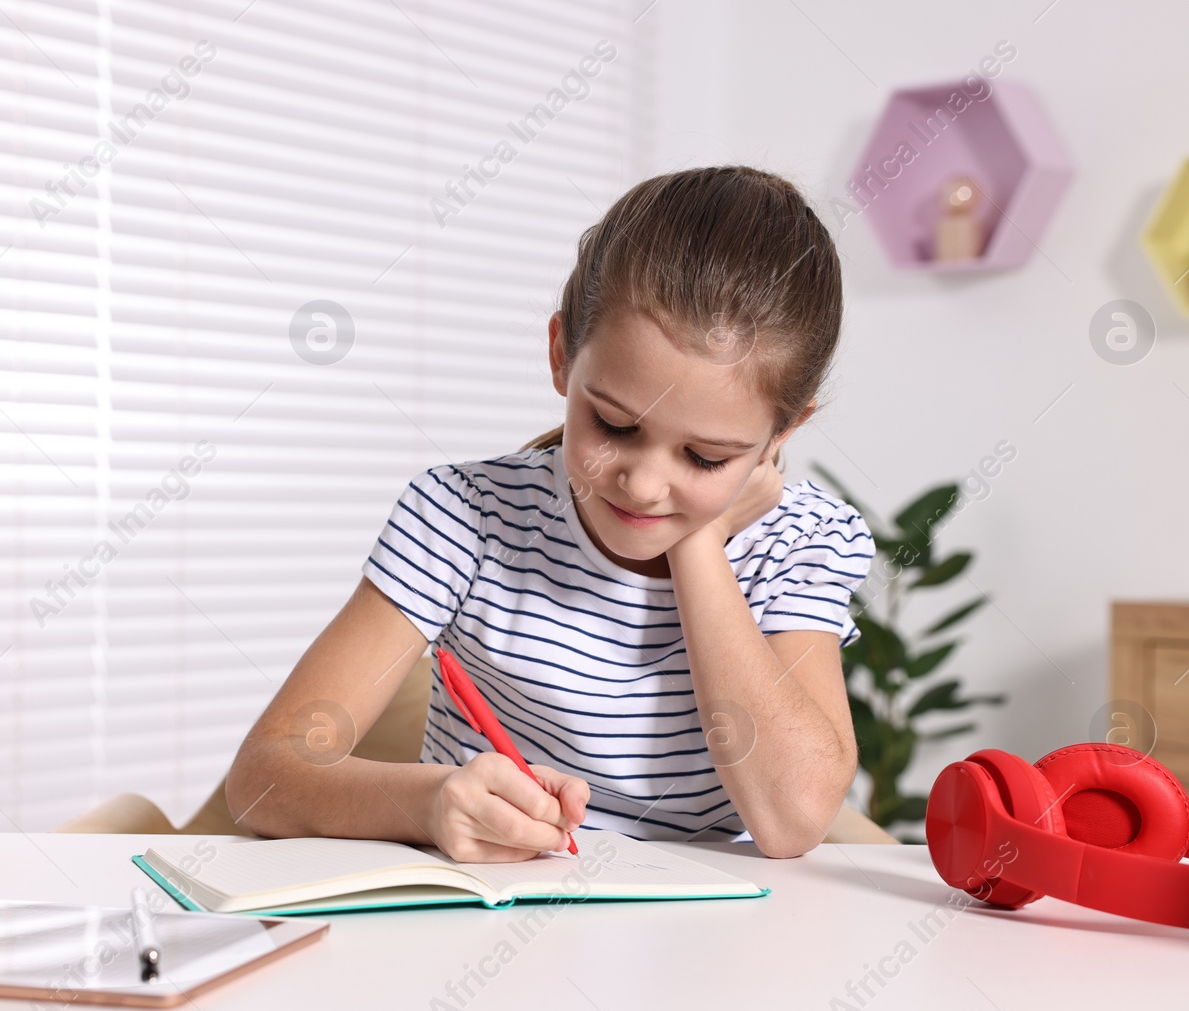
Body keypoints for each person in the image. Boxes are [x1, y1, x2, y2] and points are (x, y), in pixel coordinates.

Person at [227, 166, 874, 861]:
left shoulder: (805, 541)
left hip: (708, 943)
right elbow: (266, 777)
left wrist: (699, 544)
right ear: (562, 353)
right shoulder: (465, 515)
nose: (646, 484)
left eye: (706, 457)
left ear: (781, 435)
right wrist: (431, 801)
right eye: (615, 426)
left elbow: (794, 817)